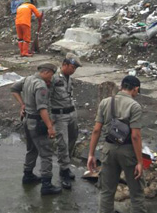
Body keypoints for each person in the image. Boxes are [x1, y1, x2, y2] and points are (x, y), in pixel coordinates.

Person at [87, 76, 146, 213]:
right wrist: (140, 162)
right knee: (136, 193)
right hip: (128, 152)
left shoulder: (105, 102)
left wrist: (91, 154)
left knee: (106, 192)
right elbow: (136, 136)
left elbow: (96, 130)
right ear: (135, 89)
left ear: (122, 86)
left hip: (108, 150)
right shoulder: (134, 106)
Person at [11, 62, 62, 195]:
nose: (51, 78)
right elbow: (42, 109)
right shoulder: (40, 86)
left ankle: (27, 175)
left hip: (27, 120)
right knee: (46, 154)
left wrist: (22, 104)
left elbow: (14, 88)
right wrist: (50, 127)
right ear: (45, 72)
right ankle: (46, 185)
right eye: (51, 75)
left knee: (31, 149)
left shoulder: (28, 79)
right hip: (37, 123)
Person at [49, 53, 82, 190]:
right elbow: (47, 99)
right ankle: (63, 172)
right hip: (59, 115)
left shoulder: (68, 78)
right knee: (62, 142)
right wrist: (50, 121)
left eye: (75, 68)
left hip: (71, 113)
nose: (73, 70)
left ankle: (66, 166)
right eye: (72, 67)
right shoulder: (54, 78)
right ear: (65, 64)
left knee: (72, 139)